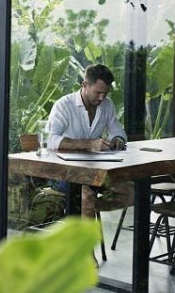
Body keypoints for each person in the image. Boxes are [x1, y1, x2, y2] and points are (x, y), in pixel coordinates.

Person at [46, 64, 133, 265]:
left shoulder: (107, 105)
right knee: (85, 195)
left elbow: (118, 131)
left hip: (96, 173)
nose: (102, 98)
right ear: (85, 85)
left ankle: (87, 212)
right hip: (63, 173)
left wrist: (118, 140)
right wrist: (88, 144)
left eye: (106, 93)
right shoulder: (63, 105)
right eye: (98, 92)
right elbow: (51, 141)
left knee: (130, 193)